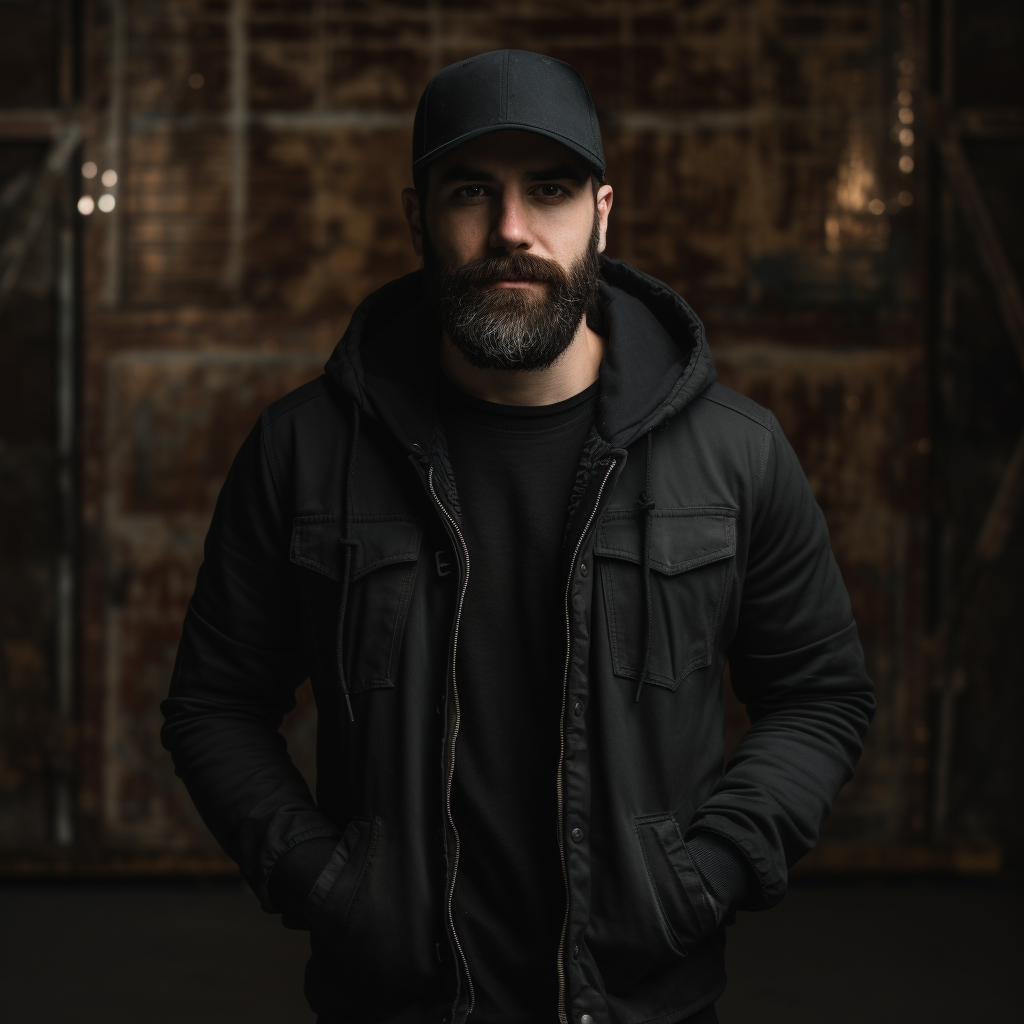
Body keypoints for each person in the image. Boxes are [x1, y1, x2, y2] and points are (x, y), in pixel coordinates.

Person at [161, 49, 874, 1024]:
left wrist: (704, 874)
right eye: (470, 192)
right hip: (394, 1003)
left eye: (548, 190)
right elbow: (214, 705)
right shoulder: (305, 449)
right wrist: (328, 885)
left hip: (644, 1003)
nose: (511, 230)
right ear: (417, 216)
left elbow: (818, 692)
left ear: (603, 212)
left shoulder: (735, 453)